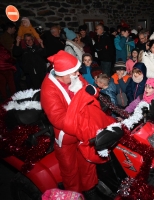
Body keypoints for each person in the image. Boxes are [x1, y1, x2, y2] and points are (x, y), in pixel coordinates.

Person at [40, 50, 115, 200]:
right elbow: (59, 120)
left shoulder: (74, 76)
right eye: (74, 73)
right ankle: (75, 195)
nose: (78, 75)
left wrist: (88, 93)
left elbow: (91, 92)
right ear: (64, 74)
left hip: (84, 130)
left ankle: (90, 188)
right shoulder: (48, 89)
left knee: (87, 162)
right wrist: (84, 127)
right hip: (66, 136)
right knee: (70, 169)